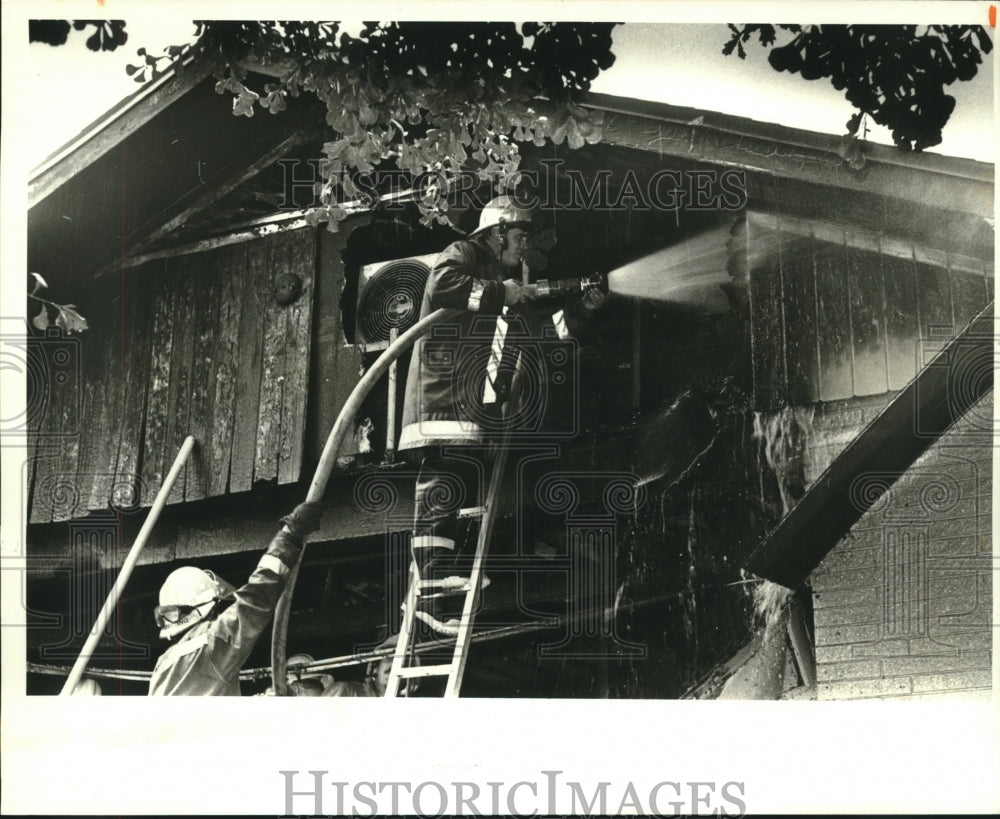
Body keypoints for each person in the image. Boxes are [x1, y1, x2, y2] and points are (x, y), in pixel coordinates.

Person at [397, 195, 606, 633]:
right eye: (519, 235)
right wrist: (501, 292)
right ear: (495, 232)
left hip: (469, 404)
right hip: (442, 395)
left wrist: (582, 309)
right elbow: (441, 286)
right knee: (440, 479)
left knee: (452, 485)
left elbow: (543, 334)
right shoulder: (465, 254)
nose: (525, 246)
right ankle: (429, 581)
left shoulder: (500, 282)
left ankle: (432, 592)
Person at [148, 502, 322, 696]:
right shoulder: (211, 644)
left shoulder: (163, 666)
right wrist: (290, 534)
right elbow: (255, 598)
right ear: (209, 608)